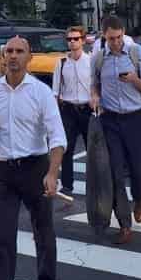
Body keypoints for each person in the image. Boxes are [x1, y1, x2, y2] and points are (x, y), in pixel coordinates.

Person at [0, 36, 66, 280]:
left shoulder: (40, 92)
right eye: (8, 52)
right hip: (2, 170)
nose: (13, 56)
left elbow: (57, 136)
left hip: (35, 167)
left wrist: (52, 173)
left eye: (19, 52)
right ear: (3, 57)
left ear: (29, 58)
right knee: (3, 235)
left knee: (43, 231)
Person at [90, 16, 141, 245]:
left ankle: (139, 198)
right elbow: (94, 84)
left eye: (118, 37)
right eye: (110, 39)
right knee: (115, 174)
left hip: (135, 118)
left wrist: (134, 79)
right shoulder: (98, 58)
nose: (115, 43)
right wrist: (95, 97)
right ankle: (125, 225)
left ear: (123, 33)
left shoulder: (135, 53)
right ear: (104, 36)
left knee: (138, 169)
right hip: (111, 121)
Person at [52, 25, 93, 199]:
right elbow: (55, 90)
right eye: (69, 39)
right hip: (68, 109)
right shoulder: (61, 63)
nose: (72, 42)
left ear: (83, 40)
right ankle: (67, 185)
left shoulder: (90, 61)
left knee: (92, 149)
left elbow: (97, 86)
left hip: (87, 109)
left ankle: (95, 184)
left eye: (75, 39)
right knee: (66, 148)